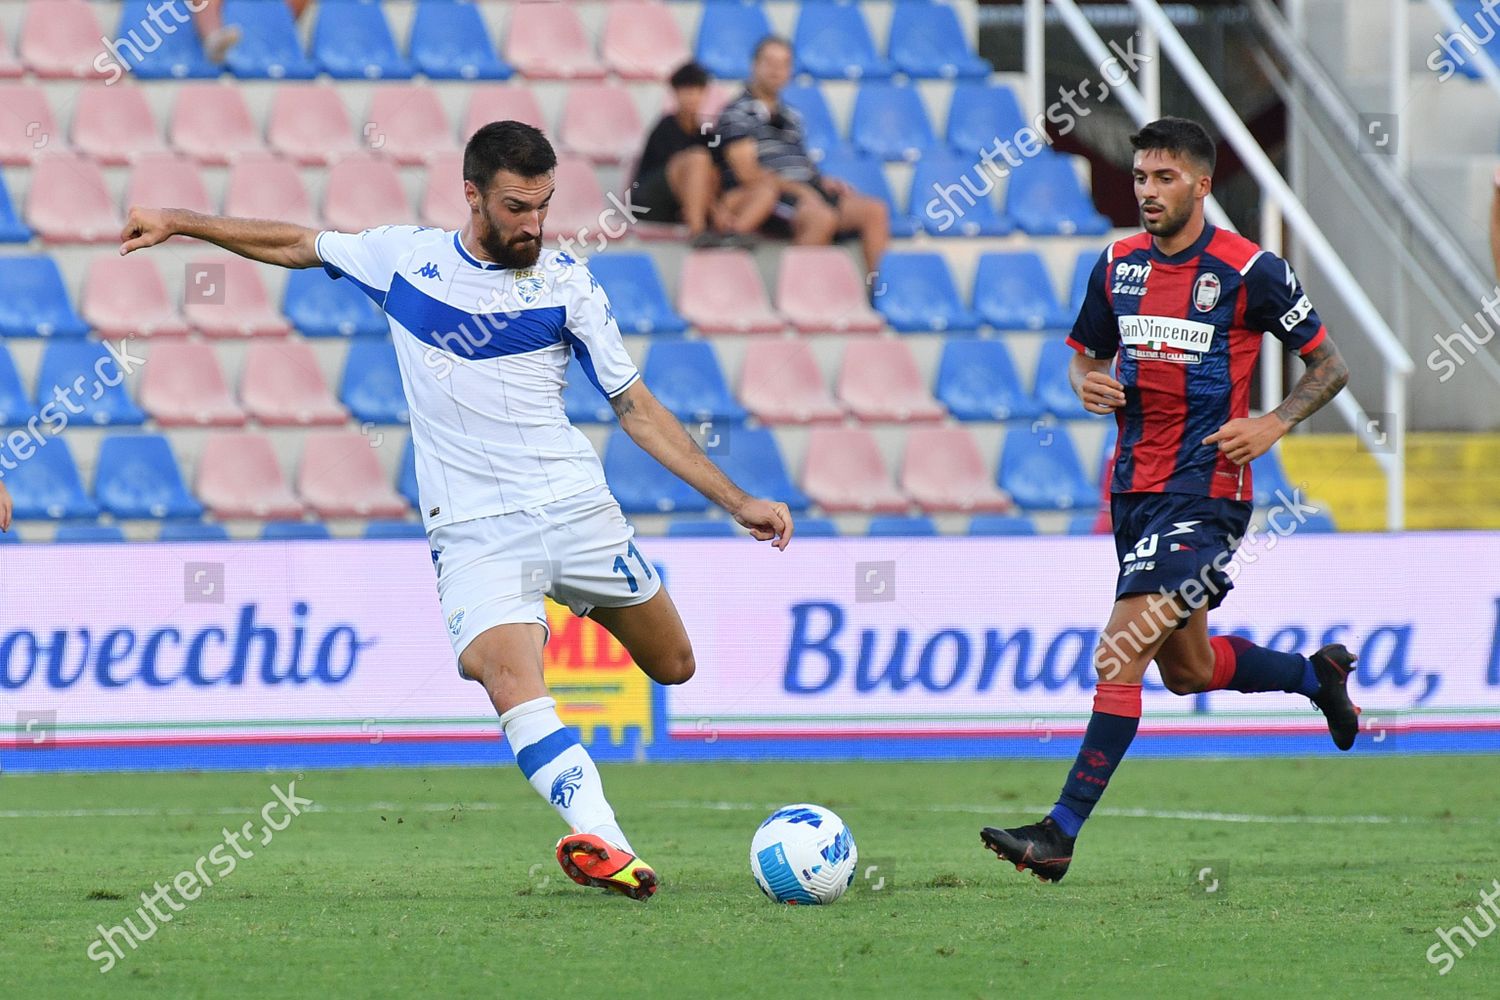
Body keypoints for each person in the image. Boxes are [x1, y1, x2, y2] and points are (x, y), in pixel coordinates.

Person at [119, 120, 796, 901]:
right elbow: (298, 244)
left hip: (575, 510)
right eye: (516, 207)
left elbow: (636, 408)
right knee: (506, 674)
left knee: (673, 665)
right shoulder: (407, 261)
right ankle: (607, 843)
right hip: (473, 531)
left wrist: (736, 498)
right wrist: (181, 220)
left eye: (544, 206)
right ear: (471, 194)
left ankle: (587, 677)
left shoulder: (568, 284)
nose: (533, 225)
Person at [981, 117, 1359, 883]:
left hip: (1207, 492)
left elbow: (1330, 366)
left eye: (1163, 178)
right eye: (1142, 177)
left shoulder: (1252, 270)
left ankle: (1057, 834)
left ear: (1201, 183)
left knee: (1118, 654)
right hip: (1135, 494)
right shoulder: (1117, 264)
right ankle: (1315, 677)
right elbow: (1083, 355)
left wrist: (1274, 421)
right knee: (1185, 671)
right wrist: (1086, 382)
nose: (1148, 192)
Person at [716, 36, 890, 278]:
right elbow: (748, 174)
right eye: (770, 62)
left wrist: (823, 183)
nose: (777, 70)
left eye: (784, 64)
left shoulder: (792, 116)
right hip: (772, 194)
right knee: (821, 217)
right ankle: (801, 298)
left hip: (806, 191)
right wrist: (799, 191)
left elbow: (800, 162)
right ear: (754, 66)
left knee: (874, 211)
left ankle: (879, 294)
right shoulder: (736, 112)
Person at [631, 62, 769, 246]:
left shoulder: (706, 134)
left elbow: (714, 177)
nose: (691, 97)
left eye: (697, 91)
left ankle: (736, 232)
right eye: (686, 91)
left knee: (762, 188)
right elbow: (678, 176)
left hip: (693, 205)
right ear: (675, 93)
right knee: (698, 158)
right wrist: (714, 209)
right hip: (653, 202)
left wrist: (721, 209)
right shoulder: (665, 127)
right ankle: (698, 231)